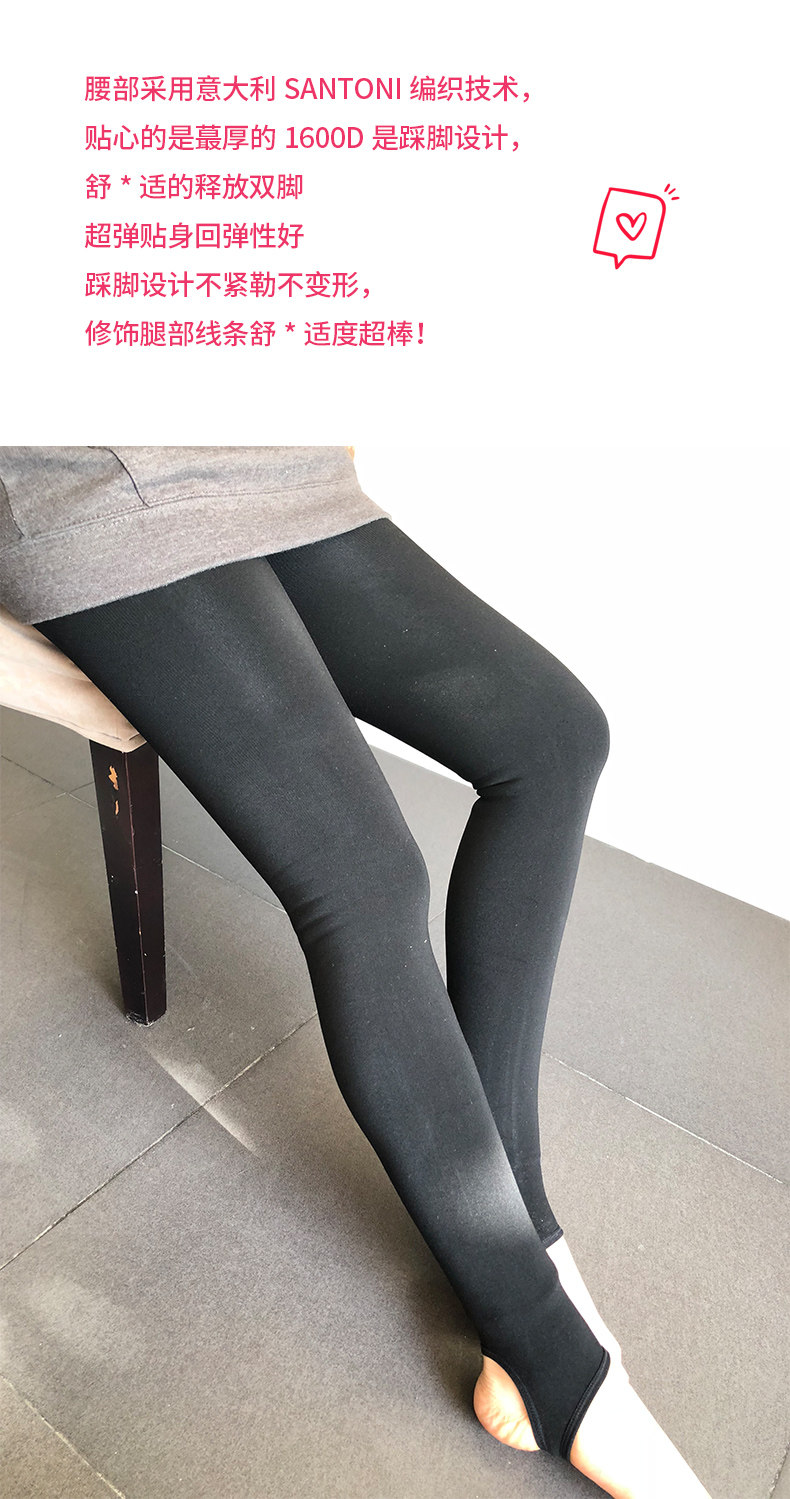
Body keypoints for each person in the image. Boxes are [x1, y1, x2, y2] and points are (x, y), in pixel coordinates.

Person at [0, 446, 712, 1498]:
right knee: (366, 878)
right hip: (90, 498)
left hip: (260, 465)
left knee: (555, 738)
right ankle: (543, 1350)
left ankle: (514, 1217)